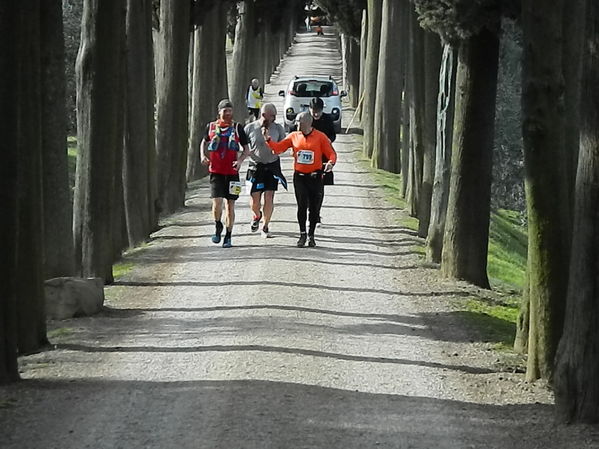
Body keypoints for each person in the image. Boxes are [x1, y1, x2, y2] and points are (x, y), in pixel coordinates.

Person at [263, 111, 337, 248]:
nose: (297, 125)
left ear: (308, 123)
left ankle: (311, 235)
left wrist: (330, 163)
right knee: (301, 206)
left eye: (300, 122)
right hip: (300, 177)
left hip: (315, 176)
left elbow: (331, 153)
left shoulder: (320, 137)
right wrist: (268, 140)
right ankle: (302, 234)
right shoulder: (294, 136)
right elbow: (279, 148)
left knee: (314, 209)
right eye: (296, 122)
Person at [201, 99, 251, 248]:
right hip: (216, 172)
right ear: (219, 112)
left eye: (230, 111)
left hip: (232, 173)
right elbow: (203, 142)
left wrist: (240, 161)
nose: (228, 114)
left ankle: (228, 236)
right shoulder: (211, 127)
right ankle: (218, 226)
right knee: (217, 204)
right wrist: (202, 156)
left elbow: (246, 149)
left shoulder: (237, 128)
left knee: (230, 206)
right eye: (225, 111)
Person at [244, 103, 287, 238]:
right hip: (255, 166)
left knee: (269, 197)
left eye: (271, 116)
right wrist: (245, 153)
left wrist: (276, 148)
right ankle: (257, 215)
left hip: (272, 165)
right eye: (263, 115)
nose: (273, 118)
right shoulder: (250, 128)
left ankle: (265, 225)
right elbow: (241, 146)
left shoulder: (278, 129)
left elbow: (283, 146)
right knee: (254, 200)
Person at [309, 97, 336, 225]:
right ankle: (310, 210)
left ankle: (316, 213)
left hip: (323, 156)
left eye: (318, 111)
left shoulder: (327, 119)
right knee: (307, 186)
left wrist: (328, 141)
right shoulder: (305, 119)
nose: (316, 114)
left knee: (319, 187)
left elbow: (333, 134)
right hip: (308, 157)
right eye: (313, 111)